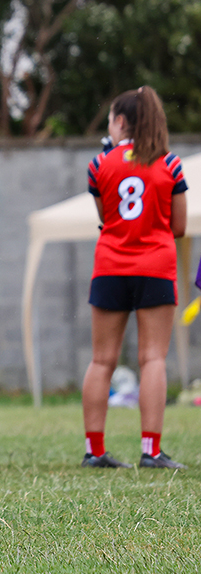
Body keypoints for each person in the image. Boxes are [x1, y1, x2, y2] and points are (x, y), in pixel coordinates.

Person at [80, 86, 187, 469]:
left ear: (121, 122)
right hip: (156, 266)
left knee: (102, 359)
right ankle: (151, 450)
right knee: (152, 357)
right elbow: (178, 225)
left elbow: (106, 216)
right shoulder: (170, 165)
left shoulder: (99, 164)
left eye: (111, 117)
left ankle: (94, 451)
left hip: (110, 265)